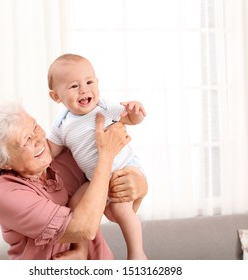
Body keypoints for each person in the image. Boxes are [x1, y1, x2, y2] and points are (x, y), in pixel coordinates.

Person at [0, 101, 147, 260]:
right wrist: (105, 155)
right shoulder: (3, 191)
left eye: (35, 127)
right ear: (1, 161)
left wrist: (139, 184)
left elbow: (113, 212)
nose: (39, 139)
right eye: (26, 140)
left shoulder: (68, 155)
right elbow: (83, 229)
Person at [47, 54, 147, 259]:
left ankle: (137, 253)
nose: (84, 89)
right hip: (97, 179)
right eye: (74, 86)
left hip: (123, 167)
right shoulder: (61, 123)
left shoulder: (103, 106)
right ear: (56, 96)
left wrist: (136, 112)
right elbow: (50, 151)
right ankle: (81, 251)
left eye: (89, 82)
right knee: (76, 205)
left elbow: (130, 119)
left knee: (120, 209)